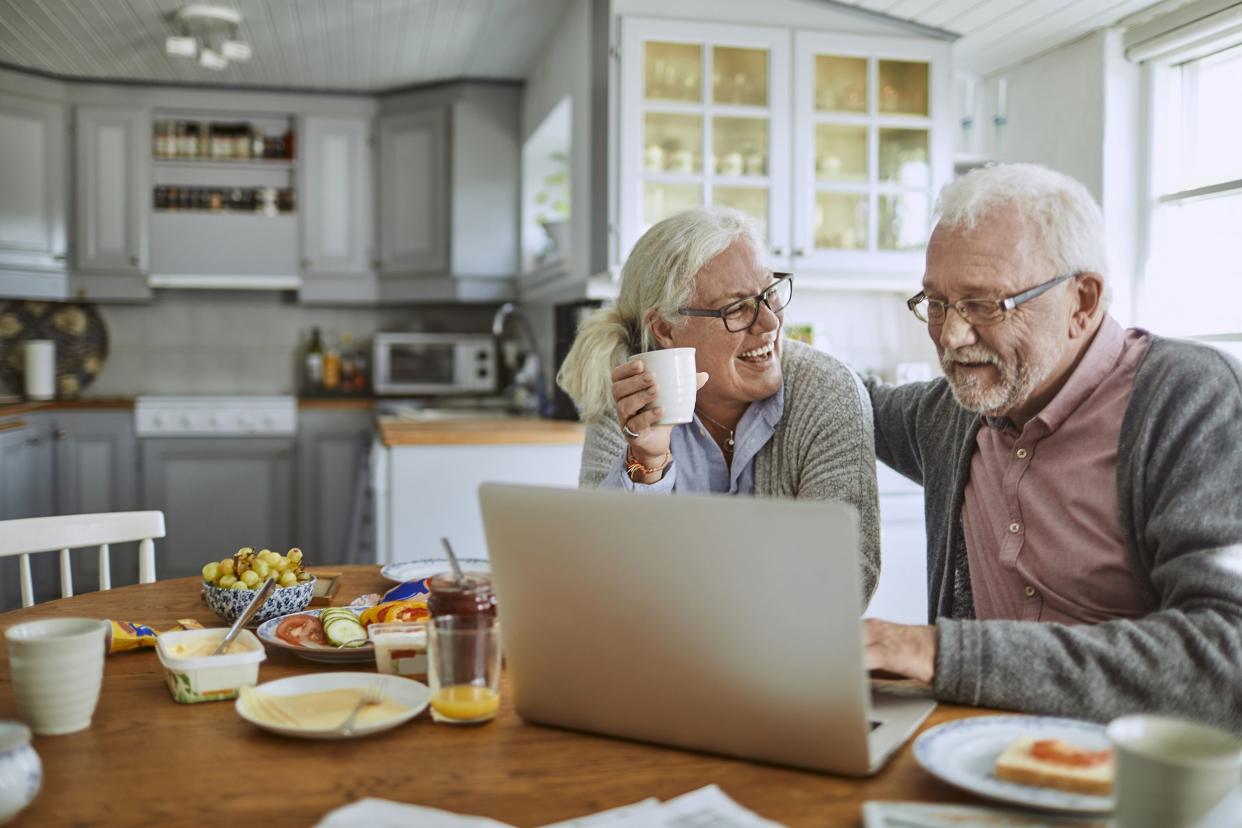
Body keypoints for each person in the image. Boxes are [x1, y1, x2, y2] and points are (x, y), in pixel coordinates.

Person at [863, 162, 1242, 732]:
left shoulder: (1191, 400)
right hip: (970, 755)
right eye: (936, 303)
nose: (951, 336)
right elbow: (851, 400)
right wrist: (748, 332)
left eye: (985, 305)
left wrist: (938, 653)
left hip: (1140, 777)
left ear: (1082, 301)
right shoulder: (952, 411)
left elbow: (1224, 658)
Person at [557, 206, 881, 601]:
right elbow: (598, 575)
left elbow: (847, 578)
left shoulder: (827, 391)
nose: (771, 324)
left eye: (769, 294)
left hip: (784, 652)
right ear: (665, 329)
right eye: (737, 308)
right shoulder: (631, 393)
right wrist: (648, 463)